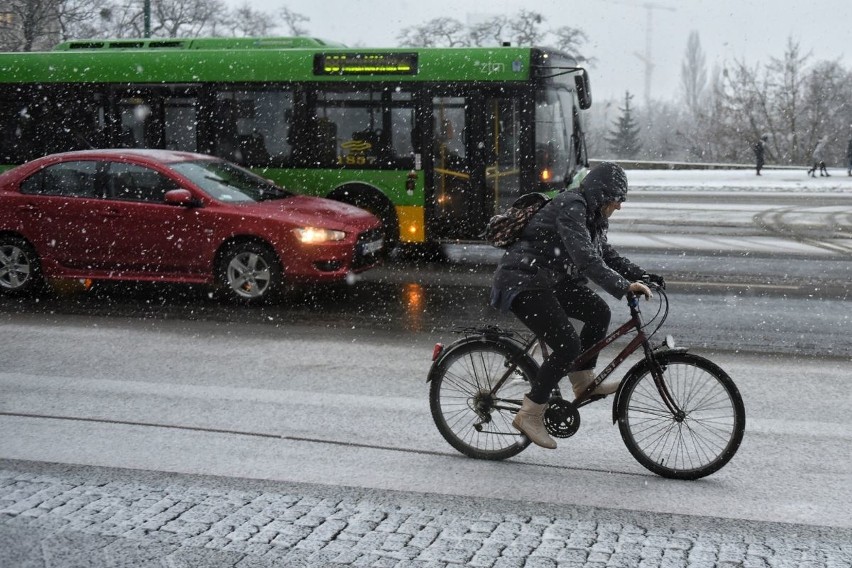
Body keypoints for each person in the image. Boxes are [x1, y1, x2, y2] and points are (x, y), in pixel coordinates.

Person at [490, 162, 664, 449]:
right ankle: (530, 413)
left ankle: (582, 381)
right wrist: (623, 287)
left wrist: (641, 275)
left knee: (599, 312)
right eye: (617, 199)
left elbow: (604, 253)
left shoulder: (592, 214)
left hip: (548, 279)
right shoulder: (572, 206)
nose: (619, 207)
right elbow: (585, 258)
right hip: (523, 280)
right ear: (601, 193)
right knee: (567, 345)